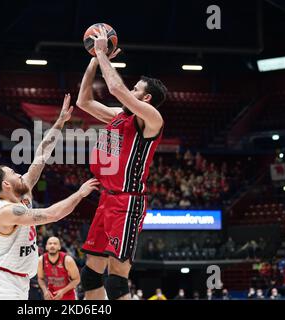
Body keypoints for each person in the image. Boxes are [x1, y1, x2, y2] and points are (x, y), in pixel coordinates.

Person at [76, 25, 167, 300]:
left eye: (135, 89)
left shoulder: (151, 119)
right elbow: (83, 101)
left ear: (146, 98)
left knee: (117, 280)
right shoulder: (119, 115)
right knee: (90, 275)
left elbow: (115, 87)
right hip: (107, 198)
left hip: (128, 203)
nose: (130, 90)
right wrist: (94, 59)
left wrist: (103, 53)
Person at [0, 94, 100, 300]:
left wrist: (59, 122)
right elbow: (51, 214)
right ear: (6, 184)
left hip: (20, 282)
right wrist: (80, 194)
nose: (19, 173)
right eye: (13, 172)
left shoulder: (23, 189)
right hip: (3, 282)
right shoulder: (8, 211)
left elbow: (42, 155)